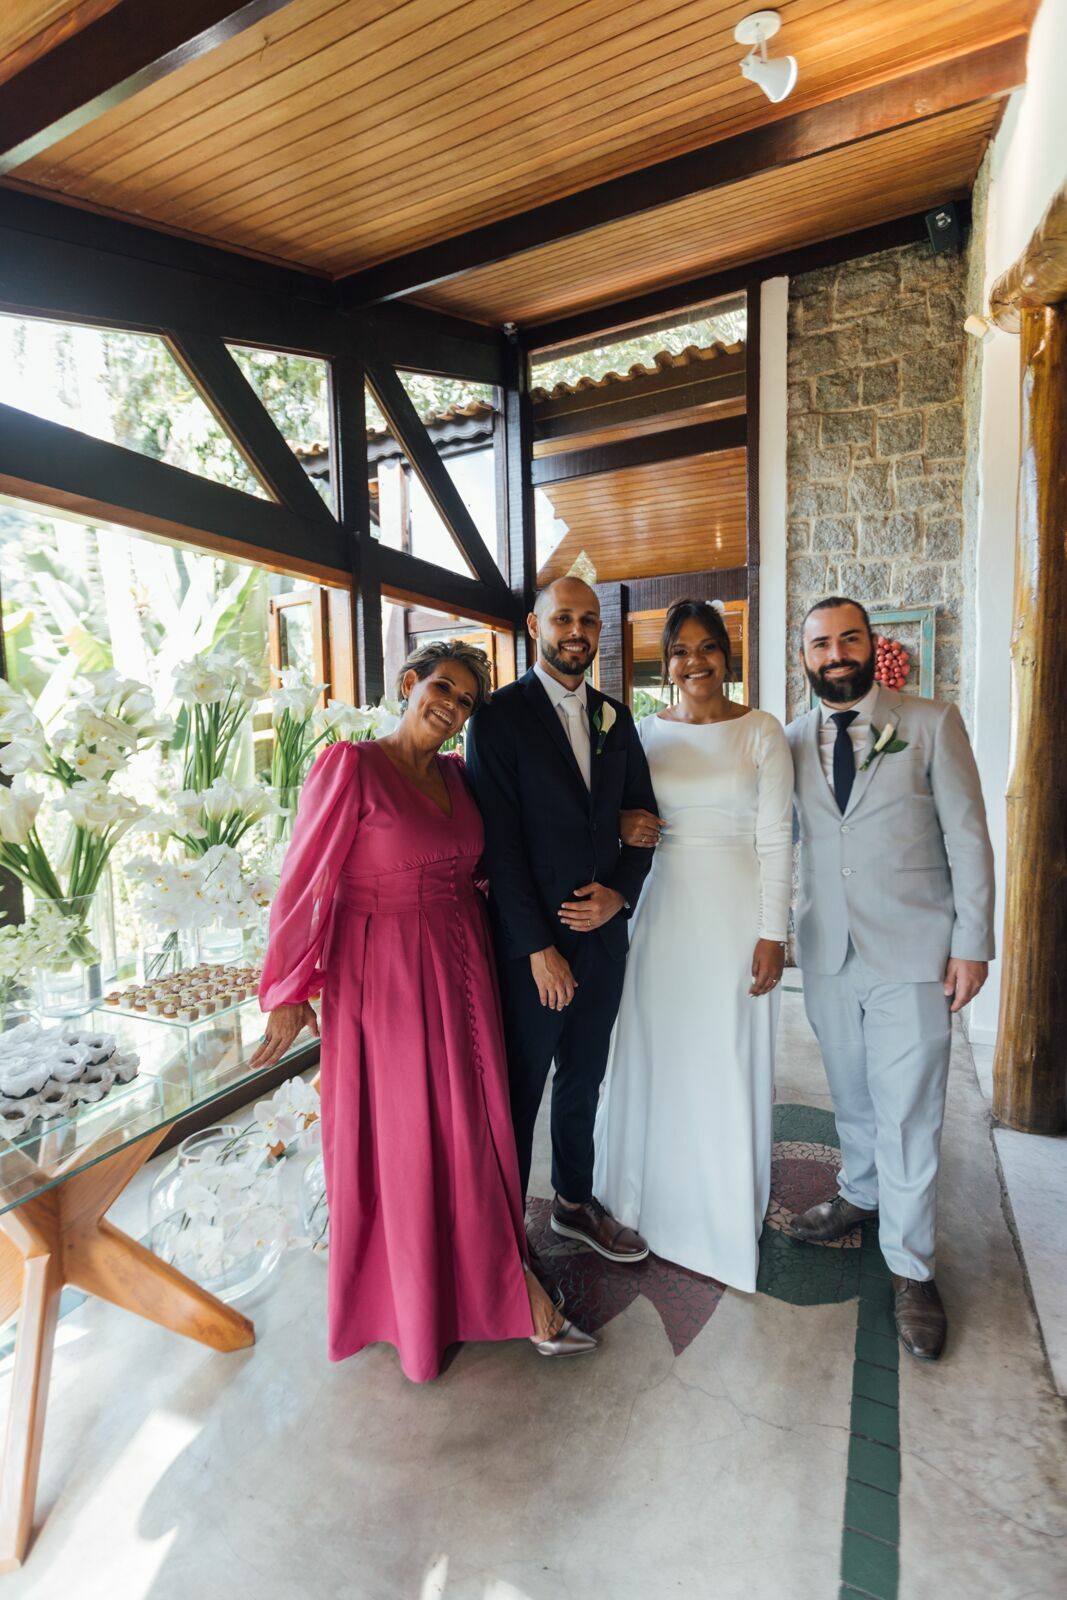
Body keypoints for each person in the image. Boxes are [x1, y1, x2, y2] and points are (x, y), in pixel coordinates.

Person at [252, 640, 595, 1383]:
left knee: (468, 1126)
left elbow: (495, 860)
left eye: (466, 700)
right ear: (409, 684)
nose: (452, 707)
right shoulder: (351, 766)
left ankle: (491, 1276)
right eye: (443, 688)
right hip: (383, 974)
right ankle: (419, 1306)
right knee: (406, 1134)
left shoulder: (457, 776)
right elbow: (304, 878)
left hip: (462, 963)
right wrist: (288, 989)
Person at [786, 596, 995, 1360]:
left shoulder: (930, 724)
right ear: (803, 657)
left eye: (847, 639)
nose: (834, 654)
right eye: (819, 644)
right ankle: (861, 1193)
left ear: (871, 646)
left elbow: (968, 839)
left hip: (914, 952)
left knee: (907, 1110)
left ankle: (910, 1267)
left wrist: (971, 944)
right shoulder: (790, 739)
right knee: (850, 1093)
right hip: (827, 952)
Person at [592, 598, 793, 1290]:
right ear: (665, 663)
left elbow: (777, 838)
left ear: (726, 655)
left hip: (736, 912)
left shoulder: (760, 731)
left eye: (707, 647)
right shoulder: (643, 733)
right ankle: (647, 1204)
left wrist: (773, 932)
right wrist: (623, 823)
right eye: (680, 650)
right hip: (664, 907)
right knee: (658, 1048)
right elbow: (613, 813)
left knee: (725, 1055)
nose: (694, 661)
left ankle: (719, 1223)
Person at [465, 577, 657, 1265]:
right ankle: (505, 1244)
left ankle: (573, 1203)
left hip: (603, 940)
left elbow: (644, 823)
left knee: (583, 1078)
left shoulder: (616, 717)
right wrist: (537, 948)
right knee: (520, 1091)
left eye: (589, 621)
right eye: (563, 618)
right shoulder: (496, 717)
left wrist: (620, 896)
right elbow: (500, 846)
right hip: (532, 950)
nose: (577, 631)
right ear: (535, 625)